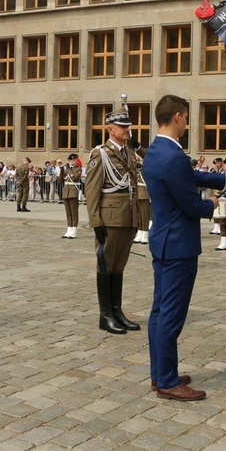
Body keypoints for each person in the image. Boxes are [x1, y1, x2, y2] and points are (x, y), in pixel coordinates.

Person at [143, 94, 226, 401]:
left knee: (160, 311)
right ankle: (167, 381)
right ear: (176, 117)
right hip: (179, 245)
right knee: (171, 316)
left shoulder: (156, 150)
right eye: (187, 117)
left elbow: (189, 175)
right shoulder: (174, 157)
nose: (188, 123)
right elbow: (190, 204)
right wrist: (213, 203)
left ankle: (160, 372)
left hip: (163, 239)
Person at [85, 107, 145, 335]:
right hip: (109, 218)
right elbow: (92, 191)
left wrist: (139, 147)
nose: (128, 130)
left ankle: (117, 311)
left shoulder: (130, 152)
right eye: (123, 126)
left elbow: (146, 161)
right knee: (106, 265)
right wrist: (96, 223)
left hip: (129, 216)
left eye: (128, 126)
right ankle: (106, 315)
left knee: (119, 266)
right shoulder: (100, 154)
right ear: (111, 129)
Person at [61, 154, 82, 239]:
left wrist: (68, 169)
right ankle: (69, 230)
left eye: (73, 160)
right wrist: (62, 171)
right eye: (70, 160)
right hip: (66, 191)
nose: (71, 161)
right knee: (68, 213)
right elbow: (60, 180)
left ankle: (74, 231)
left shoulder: (78, 169)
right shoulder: (66, 169)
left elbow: (74, 178)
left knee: (74, 213)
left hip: (73, 192)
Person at [133, 160, 151, 244]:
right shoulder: (138, 169)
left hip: (144, 194)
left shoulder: (147, 168)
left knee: (144, 215)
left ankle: (145, 233)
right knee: (139, 216)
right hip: (138, 193)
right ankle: (140, 232)